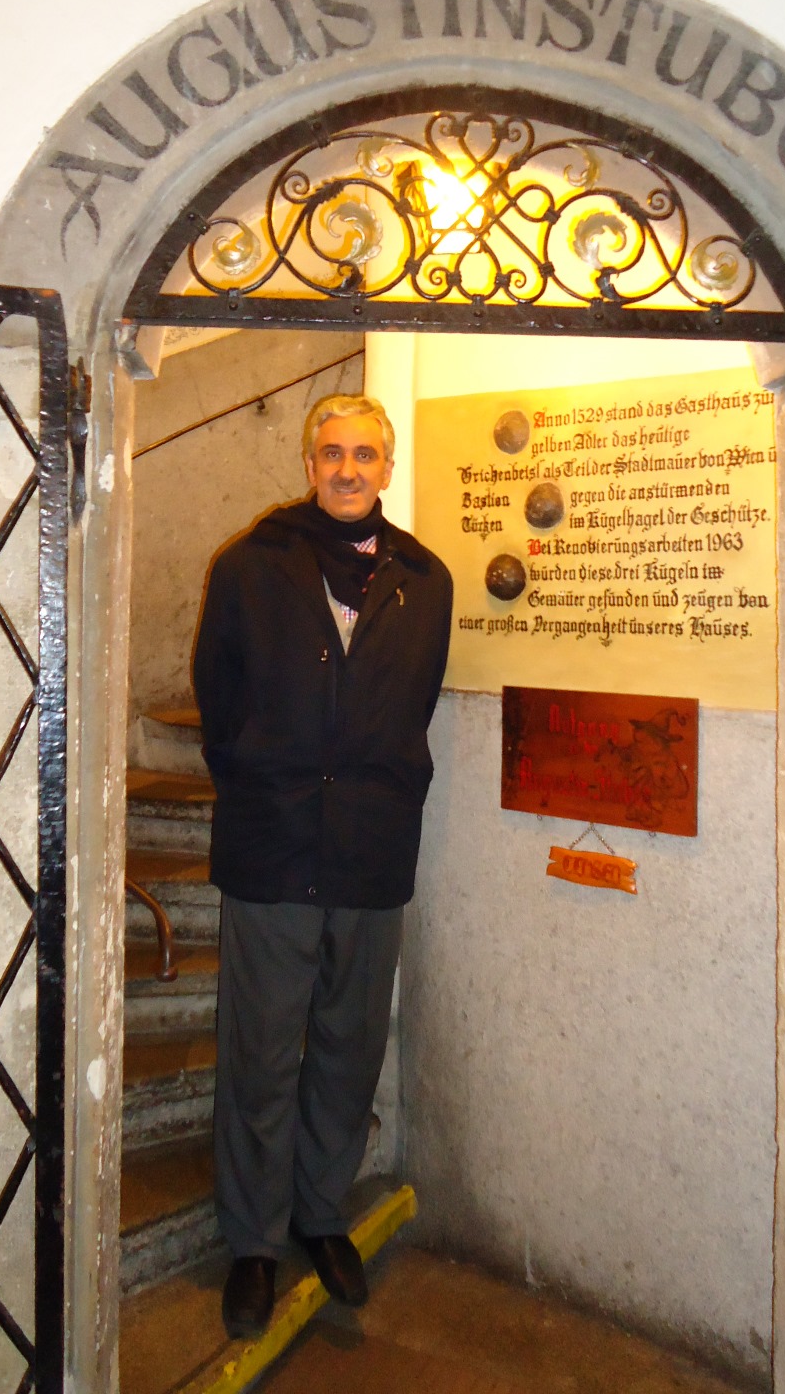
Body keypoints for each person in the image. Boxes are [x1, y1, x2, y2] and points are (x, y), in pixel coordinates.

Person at [192, 392, 453, 1339]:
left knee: (349, 1046)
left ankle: (319, 1213)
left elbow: (414, 701)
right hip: (274, 842)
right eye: (332, 453)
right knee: (261, 1052)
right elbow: (217, 699)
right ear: (310, 465)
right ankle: (254, 1242)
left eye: (365, 454)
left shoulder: (426, 578)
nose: (348, 469)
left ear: (387, 466)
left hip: (372, 846)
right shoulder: (249, 565)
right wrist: (265, 778)